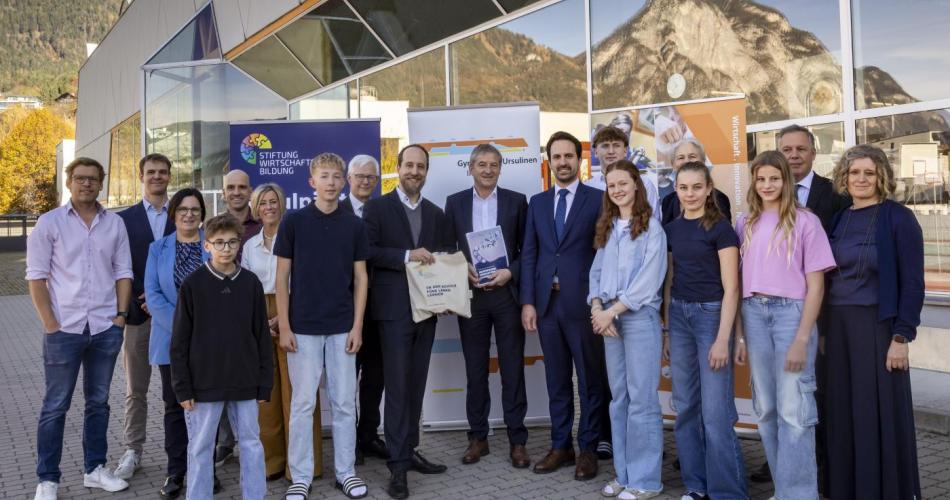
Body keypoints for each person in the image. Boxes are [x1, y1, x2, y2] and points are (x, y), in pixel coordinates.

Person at [27, 157, 133, 499]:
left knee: (99, 402)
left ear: (101, 184)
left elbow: (123, 272)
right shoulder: (49, 223)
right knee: (55, 405)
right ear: (69, 182)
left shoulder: (114, 223)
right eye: (80, 178)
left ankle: (95, 469)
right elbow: (36, 278)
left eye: (92, 179)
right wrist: (50, 324)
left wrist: (120, 317)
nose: (86, 183)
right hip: (64, 330)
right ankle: (48, 479)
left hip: (105, 327)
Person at [734, 151, 835, 500]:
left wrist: (802, 339)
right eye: (761, 179)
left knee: (794, 411)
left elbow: (816, 286)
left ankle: (801, 495)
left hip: (792, 316)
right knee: (766, 411)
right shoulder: (744, 222)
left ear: (786, 181)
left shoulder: (806, 222)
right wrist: (741, 337)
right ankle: (784, 491)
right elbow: (739, 283)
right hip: (753, 314)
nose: (767, 185)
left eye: (774, 179)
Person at [825, 145, 923, 499]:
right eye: (855, 172)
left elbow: (913, 282)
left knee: (875, 415)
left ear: (882, 176)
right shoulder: (839, 218)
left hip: (877, 330)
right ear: (844, 177)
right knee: (842, 415)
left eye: (869, 172)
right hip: (837, 330)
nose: (861, 179)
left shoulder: (899, 218)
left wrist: (901, 336)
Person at [275, 153, 370, 500]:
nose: (331, 182)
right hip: (302, 328)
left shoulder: (354, 225)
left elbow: (361, 279)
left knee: (344, 403)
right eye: (324, 176)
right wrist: (285, 327)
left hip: (343, 326)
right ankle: (301, 475)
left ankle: (346, 472)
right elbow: (281, 278)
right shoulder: (294, 222)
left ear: (344, 181)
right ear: (312, 182)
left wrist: (357, 327)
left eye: (336, 176)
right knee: (303, 404)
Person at [362, 144, 452, 499]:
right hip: (392, 311)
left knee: (415, 385)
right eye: (409, 165)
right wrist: (406, 255)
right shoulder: (377, 207)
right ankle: (397, 466)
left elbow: (443, 259)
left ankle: (409, 450)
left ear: (427, 171)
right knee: (397, 388)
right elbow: (367, 252)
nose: (415, 171)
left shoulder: (436, 213)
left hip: (427, 311)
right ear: (398, 168)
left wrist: (447, 295)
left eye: (421, 166)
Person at [521, 131, 607, 481]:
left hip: (584, 304)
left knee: (589, 380)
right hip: (547, 306)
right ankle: (561, 446)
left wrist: (600, 301)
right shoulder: (538, 203)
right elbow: (530, 254)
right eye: (556, 157)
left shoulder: (598, 199)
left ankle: (588, 449)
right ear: (549, 161)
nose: (562, 162)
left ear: (579, 159)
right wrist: (528, 301)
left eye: (568, 156)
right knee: (556, 379)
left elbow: (605, 252)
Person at [170, 214, 272, 500]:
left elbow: (261, 336)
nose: (226, 248)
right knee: (200, 447)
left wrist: (265, 382)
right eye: (219, 242)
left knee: (251, 444)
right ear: (207, 245)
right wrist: (182, 387)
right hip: (204, 384)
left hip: (245, 381)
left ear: (239, 244)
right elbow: (179, 342)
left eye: (232, 242)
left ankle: (255, 495)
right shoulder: (193, 285)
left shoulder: (250, 283)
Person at [773, 124, 851, 491]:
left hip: (823, 310)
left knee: (817, 394)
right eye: (786, 149)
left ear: (813, 153)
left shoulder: (835, 196)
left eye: (800, 149)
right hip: (777, 313)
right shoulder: (765, 197)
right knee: (785, 395)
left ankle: (823, 471)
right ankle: (788, 465)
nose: (793, 155)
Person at [663, 162, 747, 500]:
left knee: (715, 413)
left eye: (697, 187)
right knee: (685, 407)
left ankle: (728, 492)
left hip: (711, 317)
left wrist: (724, 338)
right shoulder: (671, 230)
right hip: (679, 316)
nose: (690, 194)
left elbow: (732, 288)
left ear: (709, 188)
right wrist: (667, 330)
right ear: (676, 190)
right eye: (684, 188)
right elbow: (670, 280)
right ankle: (696, 485)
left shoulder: (721, 229)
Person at [444, 144, 531, 468]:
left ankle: (517, 440)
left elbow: (527, 250)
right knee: (475, 370)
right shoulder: (455, 202)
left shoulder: (516, 201)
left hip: (506, 296)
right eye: (481, 164)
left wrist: (511, 272)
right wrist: (460, 266)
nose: (488, 170)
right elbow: (446, 248)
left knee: (512, 369)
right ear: (470, 168)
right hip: (472, 296)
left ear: (500, 169)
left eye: (494, 164)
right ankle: (478, 437)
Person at [588, 160, 667, 500]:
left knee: (642, 401)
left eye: (623, 183)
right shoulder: (607, 227)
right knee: (619, 399)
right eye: (612, 185)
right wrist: (596, 307)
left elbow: (649, 280)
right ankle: (624, 474)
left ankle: (646, 480)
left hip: (637, 319)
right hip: (610, 320)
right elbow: (595, 272)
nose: (617, 189)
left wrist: (612, 311)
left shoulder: (652, 228)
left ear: (636, 184)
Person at [242, 183, 324, 482]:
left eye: (273, 201)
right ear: (256, 208)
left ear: (281, 204)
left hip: (292, 310)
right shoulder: (249, 246)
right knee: (267, 395)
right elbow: (247, 287)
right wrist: (260, 321)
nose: (269, 207)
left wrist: (283, 316)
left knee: (299, 394)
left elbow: (305, 281)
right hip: (259, 316)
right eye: (263, 202)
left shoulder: (296, 237)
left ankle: (304, 466)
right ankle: (272, 462)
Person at [144, 188, 211, 498]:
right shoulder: (157, 249)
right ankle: (176, 472)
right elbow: (153, 294)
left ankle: (205, 470)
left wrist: (202, 330)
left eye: (195, 209)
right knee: (174, 407)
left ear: (202, 214)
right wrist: (184, 328)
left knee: (207, 409)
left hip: (209, 341)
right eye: (183, 209)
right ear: (173, 214)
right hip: (170, 340)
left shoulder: (212, 245)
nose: (189, 214)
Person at [114, 153, 175, 482]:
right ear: (141, 176)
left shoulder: (182, 214)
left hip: (174, 317)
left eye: (162, 172)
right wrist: (145, 297)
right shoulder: (124, 219)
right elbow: (119, 265)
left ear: (169, 176)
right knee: (136, 388)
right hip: (139, 316)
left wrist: (162, 300)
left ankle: (180, 451)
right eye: (151, 172)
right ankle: (132, 449)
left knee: (176, 389)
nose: (156, 177)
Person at [341, 155, 390, 464]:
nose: (365, 182)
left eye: (371, 177)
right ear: (349, 179)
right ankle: (350, 442)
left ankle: (369, 435)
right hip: (346, 309)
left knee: (375, 376)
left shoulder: (384, 211)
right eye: (360, 176)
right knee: (347, 379)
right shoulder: (337, 212)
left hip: (380, 308)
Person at [217, 168, 259, 465]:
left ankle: (253, 440)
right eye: (230, 187)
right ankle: (224, 441)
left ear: (250, 191)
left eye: (242, 187)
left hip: (255, 311)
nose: (236, 192)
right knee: (221, 378)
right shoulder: (213, 227)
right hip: (222, 312)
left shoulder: (263, 224)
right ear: (223, 193)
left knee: (251, 379)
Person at [589, 125, 661, 223]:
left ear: (625, 151)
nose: (611, 151)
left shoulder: (644, 184)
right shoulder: (588, 186)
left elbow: (653, 223)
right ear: (595, 152)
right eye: (605, 146)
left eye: (616, 145)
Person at [660, 138, 732, 225]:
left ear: (703, 161)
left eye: (692, 156)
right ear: (673, 164)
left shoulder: (719, 199)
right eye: (681, 157)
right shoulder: (668, 201)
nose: (686, 161)